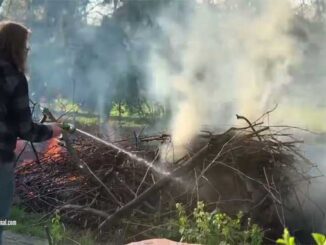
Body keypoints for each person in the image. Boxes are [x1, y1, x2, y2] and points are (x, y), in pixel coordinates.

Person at [0, 21, 62, 244]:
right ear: (16, 47)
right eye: (25, 46)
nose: (27, 51)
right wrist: (53, 130)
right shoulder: (14, 77)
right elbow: (25, 129)